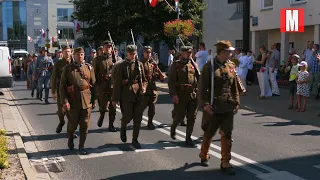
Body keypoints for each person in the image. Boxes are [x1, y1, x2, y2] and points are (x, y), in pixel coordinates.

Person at [198, 40, 239, 175]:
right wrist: (204, 104)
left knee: (227, 134)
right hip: (213, 105)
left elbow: (234, 86)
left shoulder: (231, 66)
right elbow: (202, 88)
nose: (231, 54)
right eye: (228, 52)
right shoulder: (209, 67)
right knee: (209, 132)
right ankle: (204, 154)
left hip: (227, 105)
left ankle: (225, 162)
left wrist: (237, 101)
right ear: (221, 53)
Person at [59, 47, 96, 155]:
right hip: (73, 101)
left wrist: (93, 100)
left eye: (82, 54)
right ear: (73, 56)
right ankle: (70, 137)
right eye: (77, 54)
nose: (80, 56)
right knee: (72, 125)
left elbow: (93, 86)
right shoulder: (68, 68)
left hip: (86, 101)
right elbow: (62, 86)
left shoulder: (89, 68)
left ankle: (81, 146)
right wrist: (65, 101)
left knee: (84, 126)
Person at [111, 45, 147, 149]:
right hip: (126, 95)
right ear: (127, 53)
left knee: (138, 119)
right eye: (131, 54)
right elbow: (117, 84)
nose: (133, 56)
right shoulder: (122, 66)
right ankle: (123, 126)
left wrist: (144, 87)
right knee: (127, 116)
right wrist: (115, 99)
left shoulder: (139, 64)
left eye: (134, 54)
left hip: (138, 95)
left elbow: (144, 80)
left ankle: (135, 140)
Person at [168, 46, 200, 147]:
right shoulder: (176, 65)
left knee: (192, 117)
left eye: (191, 52)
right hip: (181, 94)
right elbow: (171, 82)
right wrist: (173, 94)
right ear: (182, 53)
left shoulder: (193, 65)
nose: (190, 54)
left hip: (193, 95)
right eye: (187, 52)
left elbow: (199, 78)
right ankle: (173, 127)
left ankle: (188, 138)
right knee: (180, 115)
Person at [51, 46, 78, 139]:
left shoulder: (74, 62)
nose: (67, 53)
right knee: (61, 111)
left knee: (72, 113)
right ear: (62, 52)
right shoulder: (58, 63)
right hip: (61, 91)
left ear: (71, 52)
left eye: (69, 51)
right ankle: (61, 122)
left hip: (72, 91)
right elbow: (54, 77)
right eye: (65, 51)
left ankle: (70, 132)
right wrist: (53, 91)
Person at [95, 40, 121, 132]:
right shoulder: (98, 59)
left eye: (110, 47)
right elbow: (94, 73)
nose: (108, 48)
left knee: (112, 107)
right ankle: (101, 116)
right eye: (106, 47)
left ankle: (111, 125)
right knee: (102, 107)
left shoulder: (117, 59)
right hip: (102, 86)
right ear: (103, 48)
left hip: (113, 87)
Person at [141, 46, 165, 130]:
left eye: (149, 52)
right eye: (147, 52)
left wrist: (160, 74)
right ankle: (134, 120)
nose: (148, 54)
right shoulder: (140, 63)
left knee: (152, 109)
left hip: (152, 90)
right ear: (143, 53)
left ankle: (150, 123)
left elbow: (157, 75)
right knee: (140, 109)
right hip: (143, 90)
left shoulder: (152, 64)